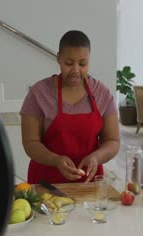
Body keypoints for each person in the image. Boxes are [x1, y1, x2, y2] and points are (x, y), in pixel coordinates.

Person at [20, 30, 120, 184]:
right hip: (46, 184)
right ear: (58, 58)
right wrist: (55, 160)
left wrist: (96, 157)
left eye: (82, 64)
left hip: (89, 184)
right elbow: (30, 143)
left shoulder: (102, 93)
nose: (75, 70)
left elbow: (112, 140)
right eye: (68, 63)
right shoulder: (39, 93)